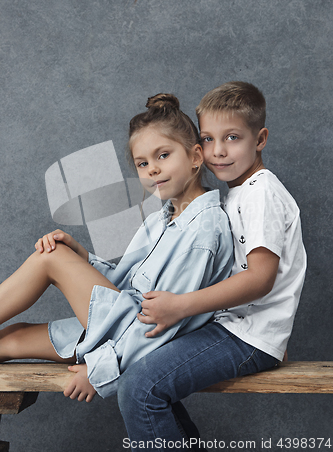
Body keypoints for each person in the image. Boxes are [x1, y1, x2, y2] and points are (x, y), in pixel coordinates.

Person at [0, 93, 233, 401]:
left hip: (130, 335)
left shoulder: (204, 232)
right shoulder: (162, 218)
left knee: (50, 257)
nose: (152, 169)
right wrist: (82, 257)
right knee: (8, 339)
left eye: (163, 155)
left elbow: (165, 328)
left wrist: (98, 369)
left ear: (195, 156)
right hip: (122, 321)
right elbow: (124, 281)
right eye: (142, 162)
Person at [117, 82, 307, 450]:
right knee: (143, 370)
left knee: (141, 389)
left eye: (232, 137)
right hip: (241, 329)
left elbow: (261, 279)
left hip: (245, 336)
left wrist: (180, 305)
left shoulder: (260, 194)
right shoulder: (238, 192)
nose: (218, 151)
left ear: (260, 138)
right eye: (208, 138)